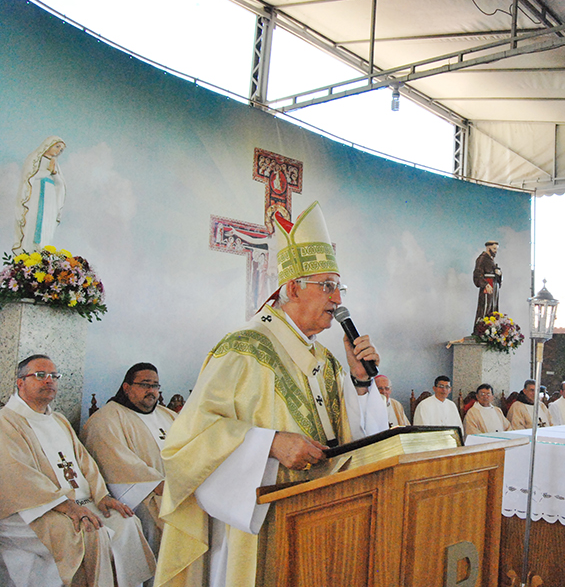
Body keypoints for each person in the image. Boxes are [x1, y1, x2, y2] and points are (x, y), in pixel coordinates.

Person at [155, 203, 388, 587]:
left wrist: (361, 383)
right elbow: (188, 440)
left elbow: (355, 440)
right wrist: (270, 444)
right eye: (327, 286)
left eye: (338, 287)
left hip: (323, 516)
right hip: (260, 523)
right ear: (293, 287)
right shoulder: (244, 348)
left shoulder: (328, 361)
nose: (337, 299)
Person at [0, 355, 155, 587]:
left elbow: (85, 463)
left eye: (54, 376)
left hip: (77, 503)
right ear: (20, 382)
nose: (49, 381)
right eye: (40, 375)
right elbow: (17, 475)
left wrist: (102, 496)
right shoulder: (7, 421)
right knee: (89, 532)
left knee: (127, 523)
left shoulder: (59, 420)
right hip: (32, 508)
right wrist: (66, 506)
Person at [81, 363, 177, 560]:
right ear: (127, 387)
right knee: (156, 524)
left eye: (156, 386)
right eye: (145, 384)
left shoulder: (168, 416)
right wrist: (160, 485)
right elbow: (117, 461)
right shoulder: (106, 418)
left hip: (176, 490)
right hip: (142, 493)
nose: (151, 391)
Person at [13, 136, 67, 253]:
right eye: (57, 147)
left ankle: (43, 254)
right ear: (48, 145)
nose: (58, 151)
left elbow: (60, 184)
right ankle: (27, 254)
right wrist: (48, 171)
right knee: (31, 222)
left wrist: (54, 172)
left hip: (50, 197)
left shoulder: (55, 164)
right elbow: (29, 177)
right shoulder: (35, 158)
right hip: (35, 195)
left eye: (61, 150)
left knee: (47, 224)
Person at [472, 241, 502, 334]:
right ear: (488, 248)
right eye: (494, 249)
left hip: (494, 285)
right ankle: (481, 330)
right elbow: (477, 273)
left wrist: (498, 273)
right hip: (488, 286)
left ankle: (491, 329)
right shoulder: (482, 259)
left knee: (493, 307)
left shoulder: (491, 259)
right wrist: (485, 284)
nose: (495, 251)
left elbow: (495, 274)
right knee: (485, 307)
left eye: (496, 249)